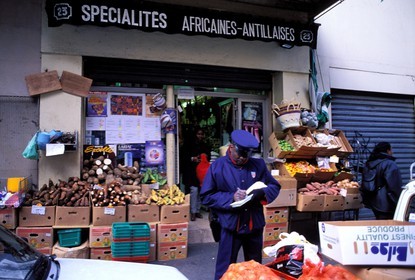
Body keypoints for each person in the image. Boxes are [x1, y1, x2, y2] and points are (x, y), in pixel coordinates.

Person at [200, 129, 281, 280]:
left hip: (253, 225)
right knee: (225, 271)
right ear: (231, 147)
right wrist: (231, 197)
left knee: (255, 270)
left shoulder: (259, 165)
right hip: (230, 226)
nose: (243, 158)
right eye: (240, 154)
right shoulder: (217, 167)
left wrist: (262, 193)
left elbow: (274, 186)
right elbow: (206, 196)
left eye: (247, 155)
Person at [361, 142, 403, 220]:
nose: (392, 152)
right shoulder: (390, 164)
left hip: (374, 203)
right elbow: (394, 187)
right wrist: (399, 203)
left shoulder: (369, 163)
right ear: (388, 151)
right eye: (391, 150)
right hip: (387, 204)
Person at [182, 127, 211, 221]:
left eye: (202, 134)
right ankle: (193, 212)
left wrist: (204, 157)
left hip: (201, 172)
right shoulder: (188, 144)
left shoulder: (205, 145)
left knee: (199, 190)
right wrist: (192, 159)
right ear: (195, 134)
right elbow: (184, 157)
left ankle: (197, 210)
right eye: (198, 134)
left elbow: (208, 157)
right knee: (194, 191)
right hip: (191, 172)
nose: (200, 136)